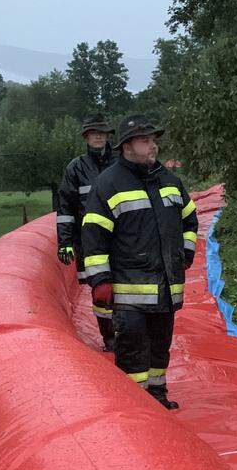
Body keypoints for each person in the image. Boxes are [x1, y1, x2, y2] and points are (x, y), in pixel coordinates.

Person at [80, 115, 199, 409]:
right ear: (127, 146)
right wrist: (101, 280)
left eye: (153, 140)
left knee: (160, 346)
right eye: (146, 141)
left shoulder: (169, 181)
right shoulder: (109, 184)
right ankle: (134, 405)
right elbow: (93, 235)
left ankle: (157, 396)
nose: (153, 146)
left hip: (166, 289)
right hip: (129, 291)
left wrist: (185, 253)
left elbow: (190, 220)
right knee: (132, 348)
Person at [56, 114, 117, 350]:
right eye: (93, 133)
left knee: (124, 288)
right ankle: (109, 338)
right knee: (101, 292)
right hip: (91, 242)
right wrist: (65, 242)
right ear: (86, 137)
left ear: (108, 135)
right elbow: (65, 208)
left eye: (102, 132)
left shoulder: (121, 161)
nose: (98, 136)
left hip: (123, 238)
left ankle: (126, 333)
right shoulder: (76, 168)